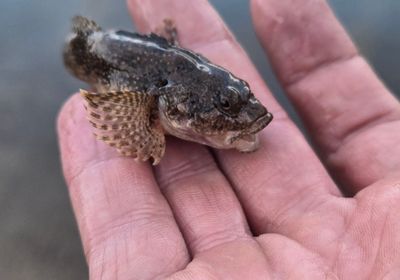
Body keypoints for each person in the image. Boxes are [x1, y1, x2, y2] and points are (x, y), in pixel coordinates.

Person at [57, 0, 400, 278]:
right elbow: (119, 117)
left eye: (239, 98)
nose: (250, 116)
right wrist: (147, 135)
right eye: (225, 105)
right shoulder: (157, 97)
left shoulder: (188, 81)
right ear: (173, 101)